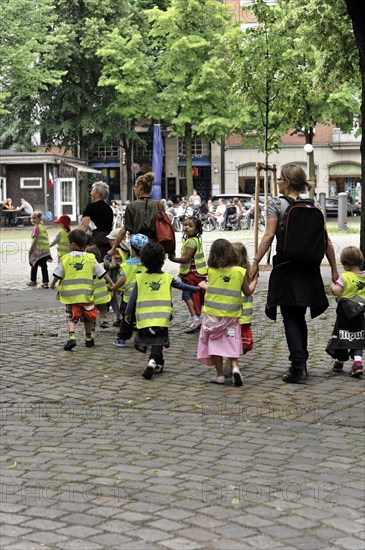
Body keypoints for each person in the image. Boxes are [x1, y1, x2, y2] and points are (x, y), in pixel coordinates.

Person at [251, 164, 339, 383]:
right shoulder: (313, 205)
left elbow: (269, 235)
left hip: (287, 268)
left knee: (290, 316)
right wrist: (335, 269)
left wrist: (255, 262)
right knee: (299, 316)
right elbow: (326, 241)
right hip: (309, 270)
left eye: (280, 179)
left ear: (287, 182)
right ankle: (302, 362)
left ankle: (298, 366)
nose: (278, 182)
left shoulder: (275, 204)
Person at [125, 242, 200, 380]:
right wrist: (198, 288)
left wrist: (128, 313)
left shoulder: (140, 278)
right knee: (158, 341)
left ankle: (154, 361)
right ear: (162, 260)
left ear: (144, 260)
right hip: (162, 316)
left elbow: (133, 298)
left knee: (151, 340)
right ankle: (154, 361)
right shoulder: (167, 278)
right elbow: (183, 286)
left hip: (145, 317)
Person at [197, 239, 257, 386]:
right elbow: (247, 292)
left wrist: (203, 285)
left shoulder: (211, 271)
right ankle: (235, 368)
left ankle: (219, 375)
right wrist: (254, 280)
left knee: (215, 344)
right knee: (231, 342)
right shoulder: (240, 272)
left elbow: (212, 288)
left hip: (213, 316)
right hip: (231, 317)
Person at [50, 229, 113, 351]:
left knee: (71, 317)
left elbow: (57, 275)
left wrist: (52, 285)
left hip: (70, 296)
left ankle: (72, 337)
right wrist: (111, 283)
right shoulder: (90, 258)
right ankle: (88, 339)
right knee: (87, 317)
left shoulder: (65, 258)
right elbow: (102, 273)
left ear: (73, 244)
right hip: (86, 295)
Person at [327, 246, 364, 378]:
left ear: (346, 264)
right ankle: (357, 363)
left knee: (342, 336)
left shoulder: (345, 277)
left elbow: (337, 291)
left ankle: (339, 361)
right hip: (360, 314)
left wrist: (332, 284)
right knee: (358, 337)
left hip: (345, 314)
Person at [169, 217, 207, 333]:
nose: (186, 227)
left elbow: (186, 259)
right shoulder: (195, 240)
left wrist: (173, 259)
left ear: (197, 229)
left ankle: (195, 319)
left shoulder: (191, 242)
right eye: (185, 224)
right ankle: (197, 317)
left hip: (191, 274)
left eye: (190, 226)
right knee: (197, 296)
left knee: (187, 296)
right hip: (197, 273)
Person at [111, 234, 149, 347]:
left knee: (127, 319)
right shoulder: (148, 264)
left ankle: (122, 338)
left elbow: (122, 280)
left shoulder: (126, 265)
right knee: (143, 318)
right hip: (144, 297)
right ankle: (144, 338)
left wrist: (113, 287)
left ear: (132, 248)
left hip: (128, 298)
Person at [108, 172, 159, 255]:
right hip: (155, 245)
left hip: (137, 246)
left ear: (140, 188)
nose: (134, 189)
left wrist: (113, 248)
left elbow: (123, 230)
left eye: (135, 187)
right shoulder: (158, 205)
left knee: (136, 267)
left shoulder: (132, 206)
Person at [103, 228, 131, 327]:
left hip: (117, 278)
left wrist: (104, 265)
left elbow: (116, 264)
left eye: (112, 239)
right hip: (126, 277)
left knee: (116, 299)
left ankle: (119, 317)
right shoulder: (127, 250)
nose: (109, 241)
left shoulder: (116, 251)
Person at [79, 181, 113, 259]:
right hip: (108, 240)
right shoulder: (109, 208)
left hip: (95, 241)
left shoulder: (91, 207)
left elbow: (84, 225)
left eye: (93, 191)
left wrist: (78, 239)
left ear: (98, 194)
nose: (91, 193)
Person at [232, 242, 254, 355]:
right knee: (241, 341)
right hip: (244, 315)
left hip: (235, 314)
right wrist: (255, 280)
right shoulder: (243, 272)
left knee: (233, 339)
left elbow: (247, 291)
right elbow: (248, 291)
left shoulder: (235, 272)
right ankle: (232, 360)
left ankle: (232, 358)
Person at [85, 245, 113, 329]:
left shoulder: (85, 268)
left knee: (91, 311)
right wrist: (111, 283)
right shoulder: (103, 265)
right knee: (103, 310)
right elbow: (107, 273)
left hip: (91, 296)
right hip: (102, 296)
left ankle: (92, 324)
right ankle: (103, 320)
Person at [26, 211, 52, 288]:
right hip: (44, 251)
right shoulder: (42, 227)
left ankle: (33, 281)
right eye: (31, 218)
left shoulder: (36, 227)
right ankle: (45, 282)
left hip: (37, 250)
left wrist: (31, 249)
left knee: (34, 265)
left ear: (39, 219)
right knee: (44, 266)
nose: (32, 220)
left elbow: (35, 239)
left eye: (34, 218)